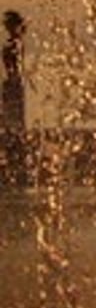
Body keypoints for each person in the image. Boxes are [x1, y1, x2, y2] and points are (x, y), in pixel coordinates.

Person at [1, 10, 27, 184]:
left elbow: (13, 65)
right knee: (13, 119)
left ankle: (14, 159)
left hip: (13, 83)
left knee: (11, 120)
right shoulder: (16, 43)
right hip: (13, 83)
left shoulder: (14, 44)